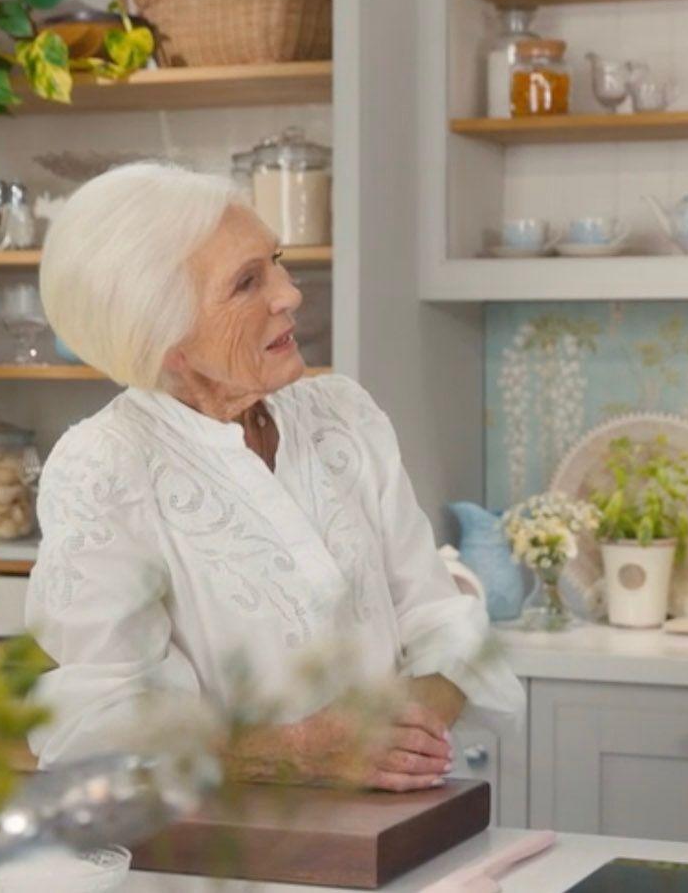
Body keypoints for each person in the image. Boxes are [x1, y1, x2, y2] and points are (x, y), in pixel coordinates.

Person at [26, 162, 523, 789]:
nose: (289, 293)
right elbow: (104, 720)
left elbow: (437, 615)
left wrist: (404, 727)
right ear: (163, 335)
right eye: (246, 283)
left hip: (394, 833)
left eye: (277, 261)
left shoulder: (343, 414)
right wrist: (304, 748)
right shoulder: (106, 464)